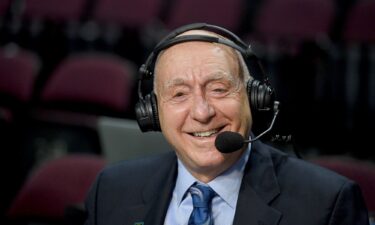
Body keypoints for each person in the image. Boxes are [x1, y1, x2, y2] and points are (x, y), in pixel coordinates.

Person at [84, 23, 370, 225]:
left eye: (219, 89)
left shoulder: (326, 204)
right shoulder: (111, 191)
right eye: (179, 94)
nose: (202, 112)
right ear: (153, 112)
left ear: (255, 99)